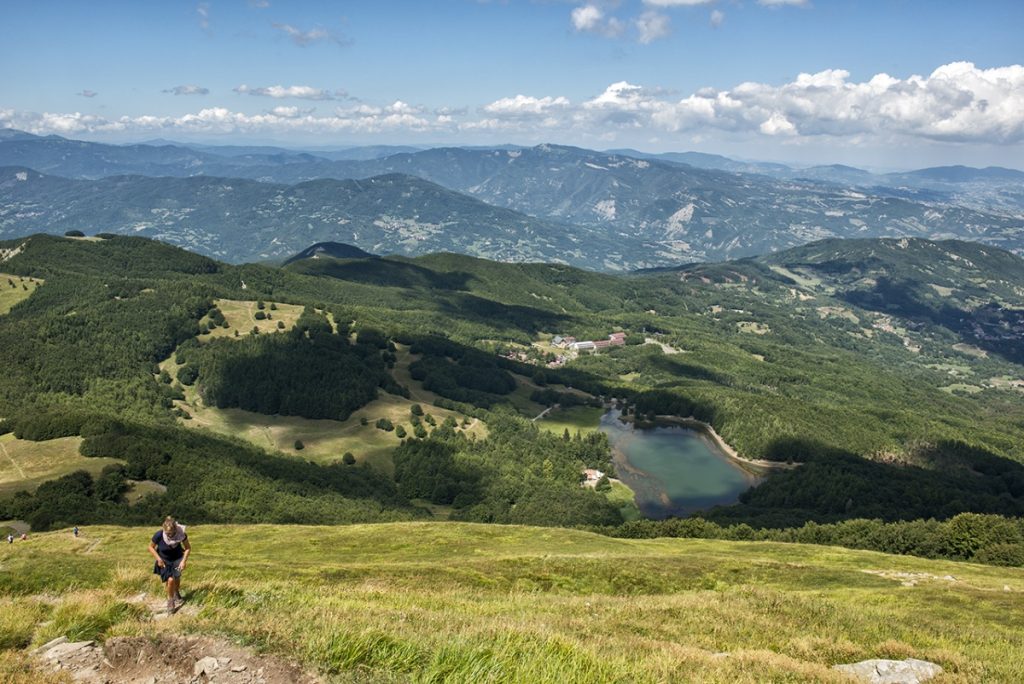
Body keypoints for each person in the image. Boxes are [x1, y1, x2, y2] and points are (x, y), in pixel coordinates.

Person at [148, 516, 191, 613]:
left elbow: (188, 548)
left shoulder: (181, 534)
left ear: (176, 530)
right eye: (168, 533)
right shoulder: (159, 535)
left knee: (177, 578)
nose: (170, 535)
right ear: (164, 530)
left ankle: (176, 592)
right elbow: (150, 547)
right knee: (170, 579)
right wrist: (158, 559)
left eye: (172, 533)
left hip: (177, 559)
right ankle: (170, 601)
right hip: (164, 560)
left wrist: (183, 561)